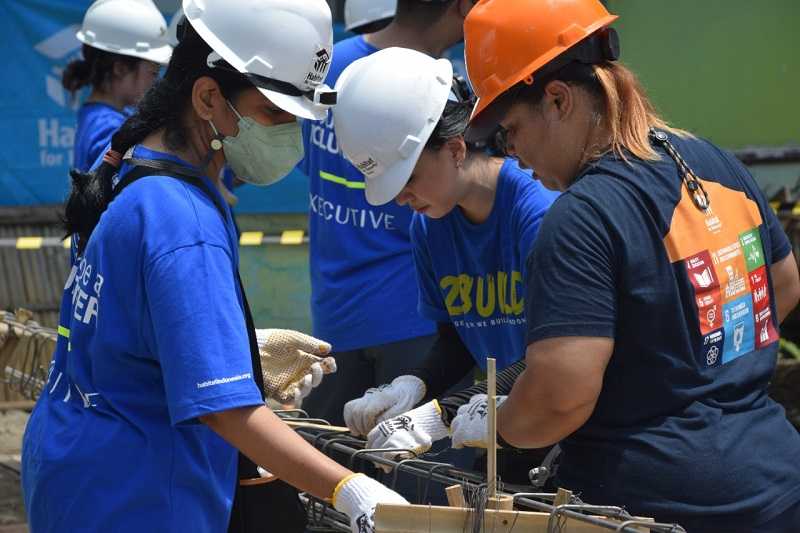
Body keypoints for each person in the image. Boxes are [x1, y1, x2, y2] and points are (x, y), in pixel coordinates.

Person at [373, 0, 800, 530]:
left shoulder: (580, 218)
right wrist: (683, 359)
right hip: (776, 482)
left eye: (510, 131)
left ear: (557, 100)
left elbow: (559, 397)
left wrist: (497, 423)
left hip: (656, 506)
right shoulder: (709, 160)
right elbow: (781, 284)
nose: (514, 154)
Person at [21, 2, 407, 533]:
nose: (290, 132)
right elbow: (227, 412)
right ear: (208, 98)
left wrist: (231, 341)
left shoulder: (129, 167)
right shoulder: (184, 220)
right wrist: (349, 487)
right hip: (139, 494)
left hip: (76, 467)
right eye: (276, 112)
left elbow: (126, 320)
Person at [331, 47, 559, 484]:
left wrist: (438, 416)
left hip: (562, 432)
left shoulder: (538, 214)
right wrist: (413, 385)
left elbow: (554, 355)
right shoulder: (430, 227)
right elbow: (457, 337)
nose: (401, 198)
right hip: (500, 430)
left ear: (455, 149)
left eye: (408, 179)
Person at [301, 0, 476, 429]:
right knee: (420, 480)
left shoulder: (329, 66)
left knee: (332, 472)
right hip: (416, 319)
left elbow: (308, 165)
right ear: (463, 7)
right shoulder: (436, 90)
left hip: (334, 313)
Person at [64, 0, 172, 173]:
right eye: (153, 71)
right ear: (120, 68)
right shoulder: (109, 128)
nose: (155, 81)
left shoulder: (103, 116)